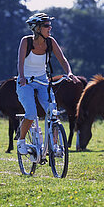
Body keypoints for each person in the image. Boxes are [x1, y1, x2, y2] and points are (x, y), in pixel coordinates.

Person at [16, 13, 76, 155]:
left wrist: (69, 72)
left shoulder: (50, 41)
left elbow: (62, 59)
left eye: (50, 25)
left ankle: (54, 146)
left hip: (43, 81)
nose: (50, 28)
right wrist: (22, 77)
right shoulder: (26, 41)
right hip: (26, 82)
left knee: (53, 112)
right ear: (37, 28)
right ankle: (21, 141)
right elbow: (20, 62)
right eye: (46, 25)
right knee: (31, 113)